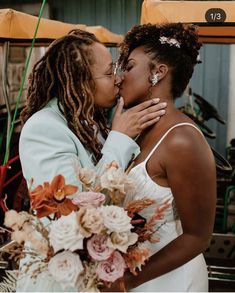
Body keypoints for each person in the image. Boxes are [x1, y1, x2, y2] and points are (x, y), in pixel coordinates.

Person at [17, 29, 166, 291]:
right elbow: (69, 214)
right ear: (79, 81)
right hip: (61, 280)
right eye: (109, 73)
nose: (118, 79)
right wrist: (119, 139)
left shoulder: (88, 122)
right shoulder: (43, 128)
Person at [111, 23, 216, 291]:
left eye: (130, 66)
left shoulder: (182, 140)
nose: (119, 77)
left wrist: (127, 280)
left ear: (158, 73)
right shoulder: (136, 133)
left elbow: (198, 236)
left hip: (170, 280)